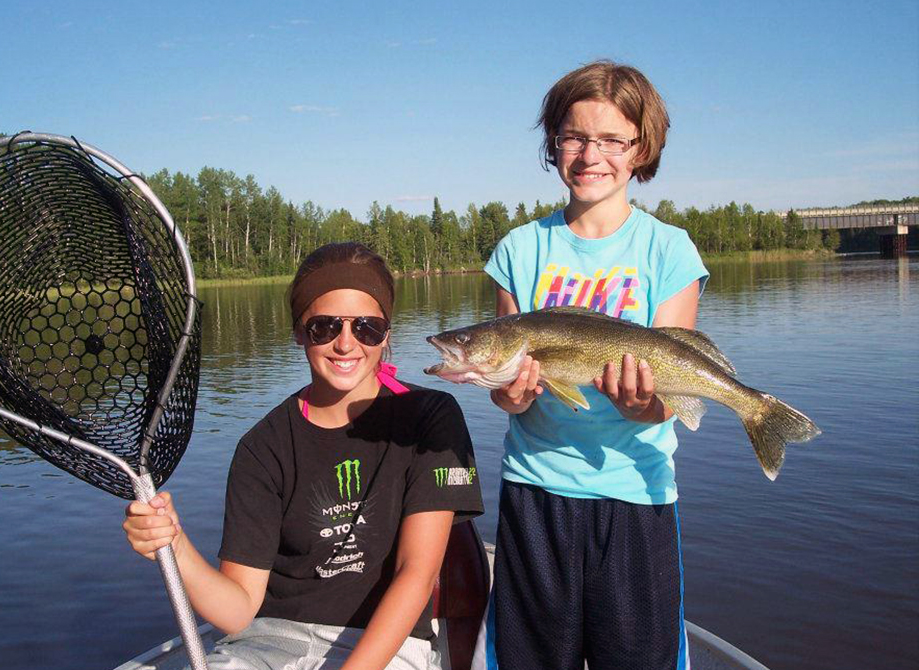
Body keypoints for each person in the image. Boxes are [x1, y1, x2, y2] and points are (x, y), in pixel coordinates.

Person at [124, 241, 484, 670]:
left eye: (367, 328)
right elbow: (238, 611)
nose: (346, 344)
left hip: (386, 647)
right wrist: (176, 545)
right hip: (267, 642)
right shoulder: (262, 448)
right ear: (299, 332)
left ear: (386, 334)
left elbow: (416, 574)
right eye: (324, 327)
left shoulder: (429, 418)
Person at [482, 61, 708, 670]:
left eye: (612, 140)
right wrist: (510, 395)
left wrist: (645, 404)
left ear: (642, 149)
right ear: (553, 143)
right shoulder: (519, 251)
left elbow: (667, 396)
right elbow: (507, 384)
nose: (590, 155)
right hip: (536, 493)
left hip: (636, 495)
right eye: (575, 137)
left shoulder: (669, 251)